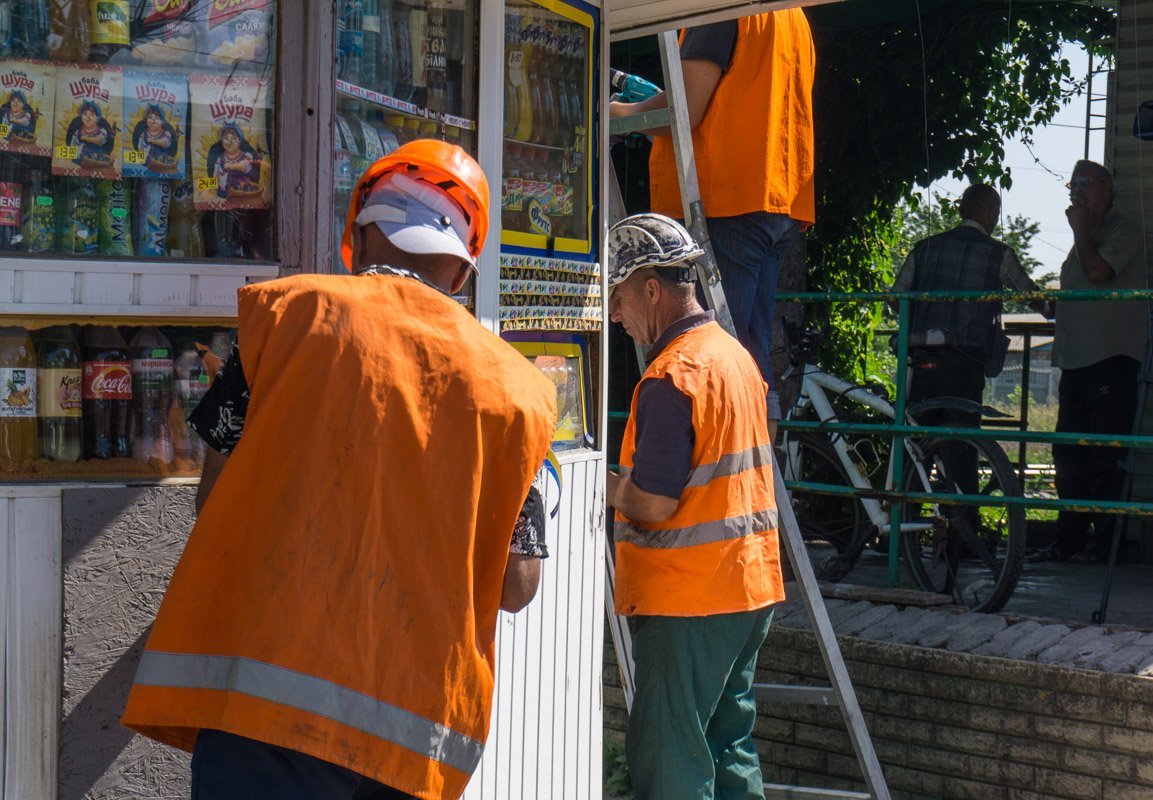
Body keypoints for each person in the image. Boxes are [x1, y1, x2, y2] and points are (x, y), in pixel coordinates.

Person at [121, 140, 559, 800]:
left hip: (266, 715)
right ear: (464, 273)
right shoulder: (517, 391)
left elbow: (218, 497)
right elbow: (516, 585)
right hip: (414, 738)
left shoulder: (289, 317)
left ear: (356, 234)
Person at [605, 213, 784, 800]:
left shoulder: (671, 376)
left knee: (671, 756)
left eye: (620, 296)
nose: (613, 314)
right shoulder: (735, 358)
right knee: (729, 744)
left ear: (652, 291)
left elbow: (654, 504)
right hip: (748, 588)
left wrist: (605, 489)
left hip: (689, 598)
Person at [608, 9, 816, 439]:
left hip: (726, 199)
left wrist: (619, 113)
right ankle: (755, 474)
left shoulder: (719, 9)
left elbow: (687, 110)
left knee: (702, 356)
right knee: (751, 355)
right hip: (775, 198)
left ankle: (694, 484)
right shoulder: (792, 16)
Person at [891, 184, 1042, 495]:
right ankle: (962, 530)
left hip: (920, 360)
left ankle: (903, 527)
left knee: (915, 444)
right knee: (961, 445)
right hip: (965, 361)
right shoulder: (999, 254)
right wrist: (1057, 307)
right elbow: (1030, 295)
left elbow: (896, 298)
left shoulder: (925, 247)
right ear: (990, 213)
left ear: (962, 210)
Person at [1034, 160, 1147, 563]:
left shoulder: (1123, 229)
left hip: (1111, 360)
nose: (1075, 191)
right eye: (1071, 184)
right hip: (1076, 361)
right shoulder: (1084, 234)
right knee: (1069, 457)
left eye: (1084, 184)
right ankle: (1069, 542)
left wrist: (1079, 228)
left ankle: (1107, 547)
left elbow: (1099, 271)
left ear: (1107, 190)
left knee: (1106, 457)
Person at [66, 100, 115, 166]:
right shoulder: (77, 132)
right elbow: (72, 146)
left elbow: (99, 140)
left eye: (92, 115)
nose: (88, 117)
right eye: (85, 114)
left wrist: (86, 138)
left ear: (97, 118)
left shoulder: (102, 131)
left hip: (98, 163)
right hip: (80, 163)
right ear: (81, 117)